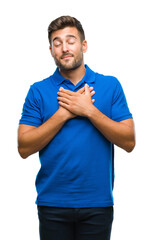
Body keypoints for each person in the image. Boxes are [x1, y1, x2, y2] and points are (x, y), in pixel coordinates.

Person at [18, 15, 135, 240]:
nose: (64, 48)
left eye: (70, 41)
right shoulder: (38, 90)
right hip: (52, 203)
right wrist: (64, 113)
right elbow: (24, 147)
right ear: (51, 50)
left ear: (84, 45)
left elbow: (129, 141)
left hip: (98, 204)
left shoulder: (110, 85)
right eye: (57, 42)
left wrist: (88, 110)